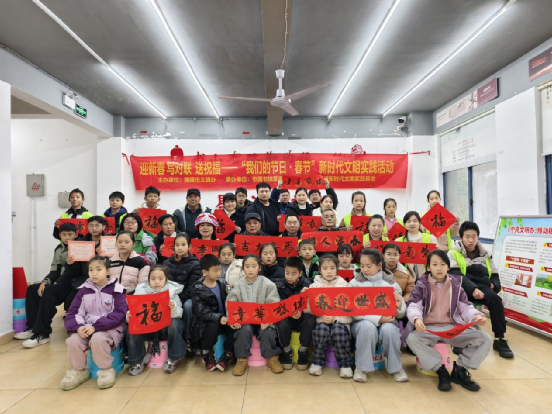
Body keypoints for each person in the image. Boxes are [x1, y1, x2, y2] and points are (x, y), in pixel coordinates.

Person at [404, 250, 492, 392]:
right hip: (429, 329)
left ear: (448, 267)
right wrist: (416, 319)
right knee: (412, 338)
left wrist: (476, 316)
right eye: (434, 264)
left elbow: (465, 307)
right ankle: (440, 369)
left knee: (485, 339)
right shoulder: (421, 286)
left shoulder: (456, 286)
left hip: (452, 328)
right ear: (428, 267)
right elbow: (414, 305)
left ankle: (460, 370)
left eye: (443, 264)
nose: (439, 268)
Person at [448, 221, 513, 358]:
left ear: (478, 237)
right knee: (457, 302)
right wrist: (473, 289)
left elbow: (494, 273)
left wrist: (494, 285)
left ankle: (499, 339)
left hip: (483, 287)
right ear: (461, 238)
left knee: (496, 300)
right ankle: (458, 339)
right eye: (467, 236)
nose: (471, 240)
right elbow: (456, 275)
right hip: (461, 287)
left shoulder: (485, 254)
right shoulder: (453, 253)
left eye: (474, 236)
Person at [61, 257, 127, 390]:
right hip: (87, 327)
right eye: (91, 270)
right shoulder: (83, 291)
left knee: (98, 339)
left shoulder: (117, 290)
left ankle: (106, 370)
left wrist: (96, 327)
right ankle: (79, 371)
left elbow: (119, 314)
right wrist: (78, 328)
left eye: (98, 269)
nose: (94, 273)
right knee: (73, 340)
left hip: (110, 329)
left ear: (107, 271)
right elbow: (73, 313)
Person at [16, 223, 78, 347]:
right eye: (64, 234)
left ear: (76, 235)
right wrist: (45, 281)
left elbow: (79, 271)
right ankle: (32, 326)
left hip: (73, 283)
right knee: (33, 289)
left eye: (70, 234)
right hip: (61, 281)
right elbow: (55, 271)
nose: (67, 237)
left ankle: (42, 333)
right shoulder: (58, 249)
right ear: (60, 235)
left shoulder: (81, 247)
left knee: (49, 291)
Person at [350, 249, 408, 383]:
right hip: (362, 322)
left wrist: (398, 305)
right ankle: (361, 368)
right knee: (367, 328)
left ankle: (396, 368)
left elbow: (400, 314)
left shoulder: (391, 284)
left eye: (369, 266)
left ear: (379, 265)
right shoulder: (354, 283)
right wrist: (378, 319)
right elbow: (352, 311)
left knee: (389, 330)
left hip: (387, 322)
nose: (365, 269)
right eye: (362, 266)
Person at [227, 254, 284, 376]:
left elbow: (274, 304)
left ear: (259, 267)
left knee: (267, 331)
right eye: (247, 266)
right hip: (245, 322)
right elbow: (231, 304)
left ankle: (272, 357)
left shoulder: (268, 284)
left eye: (254, 266)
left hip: (264, 321)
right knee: (244, 330)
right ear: (243, 268)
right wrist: (234, 320)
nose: (250, 269)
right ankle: (241, 359)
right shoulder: (238, 285)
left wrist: (269, 320)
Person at [127, 266, 186, 375]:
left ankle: (173, 358)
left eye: (160, 278)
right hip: (148, 329)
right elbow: (134, 313)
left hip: (164, 329)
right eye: (153, 278)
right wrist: (129, 315)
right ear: (148, 279)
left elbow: (179, 314)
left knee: (174, 323)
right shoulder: (140, 291)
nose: (157, 282)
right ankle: (137, 360)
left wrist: (173, 308)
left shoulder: (172, 292)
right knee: (132, 328)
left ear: (166, 280)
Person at [306, 254, 352, 378]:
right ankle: (317, 362)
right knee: (321, 331)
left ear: (337, 269)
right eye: (325, 268)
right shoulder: (314, 286)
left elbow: (350, 313)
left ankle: (345, 365)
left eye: (332, 268)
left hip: (341, 323)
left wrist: (335, 319)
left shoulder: (345, 286)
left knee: (338, 331)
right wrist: (305, 297)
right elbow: (308, 309)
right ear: (320, 270)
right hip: (321, 321)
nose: (329, 271)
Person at [192, 254, 236, 372]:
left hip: (224, 319)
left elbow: (231, 295)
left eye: (219, 269)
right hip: (206, 323)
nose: (218, 273)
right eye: (215, 270)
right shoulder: (197, 288)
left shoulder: (222, 282)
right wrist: (219, 317)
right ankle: (206, 353)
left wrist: (233, 291)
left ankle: (228, 354)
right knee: (213, 325)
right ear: (205, 272)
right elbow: (201, 312)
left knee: (236, 324)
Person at [163, 232, 202, 357]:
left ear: (189, 247)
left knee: (189, 306)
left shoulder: (195, 264)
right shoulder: (166, 263)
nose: (180, 248)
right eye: (177, 245)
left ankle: (190, 338)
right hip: (169, 297)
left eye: (183, 245)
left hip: (186, 297)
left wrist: (177, 299)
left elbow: (192, 287)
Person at [274, 257, 315, 371]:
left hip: (302, 318)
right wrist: (289, 312)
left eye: (293, 274)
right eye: (287, 273)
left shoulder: (308, 285)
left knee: (311, 318)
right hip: (287, 317)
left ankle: (303, 351)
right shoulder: (278, 284)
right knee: (280, 320)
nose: (290, 277)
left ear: (300, 273)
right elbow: (277, 304)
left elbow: (312, 306)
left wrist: (301, 309)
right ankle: (286, 350)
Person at [395, 211, 438, 280]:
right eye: (408, 221)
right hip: (407, 278)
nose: (412, 223)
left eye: (415, 221)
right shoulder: (398, 241)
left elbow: (436, 258)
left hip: (427, 276)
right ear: (404, 224)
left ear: (420, 223)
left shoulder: (430, 238)